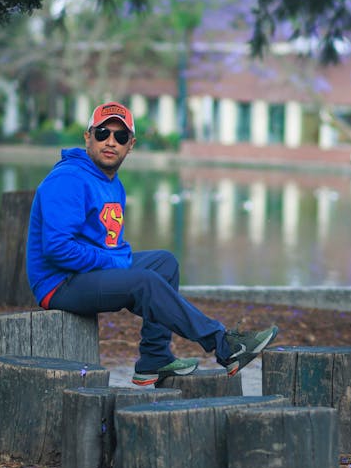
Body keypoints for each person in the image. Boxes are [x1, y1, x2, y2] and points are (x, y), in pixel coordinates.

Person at [26, 101, 278, 385]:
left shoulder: (110, 181)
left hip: (85, 273)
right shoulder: (69, 179)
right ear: (88, 137)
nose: (111, 142)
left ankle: (154, 359)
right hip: (58, 283)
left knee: (164, 263)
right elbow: (58, 250)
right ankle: (224, 345)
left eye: (120, 137)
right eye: (102, 133)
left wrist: (116, 259)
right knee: (144, 282)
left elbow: (106, 243)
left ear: (130, 145)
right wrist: (115, 261)